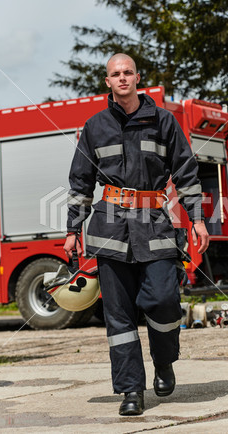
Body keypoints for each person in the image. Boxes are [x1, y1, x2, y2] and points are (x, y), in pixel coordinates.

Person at [64, 53, 209, 416]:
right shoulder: (94, 126)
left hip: (155, 225)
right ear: (108, 81)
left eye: (128, 72)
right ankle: (131, 391)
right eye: (116, 74)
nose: (123, 78)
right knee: (119, 316)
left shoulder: (163, 121)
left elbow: (186, 172)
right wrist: (72, 228)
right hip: (109, 228)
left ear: (137, 77)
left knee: (162, 300)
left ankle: (164, 361)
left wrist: (197, 219)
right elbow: (80, 181)